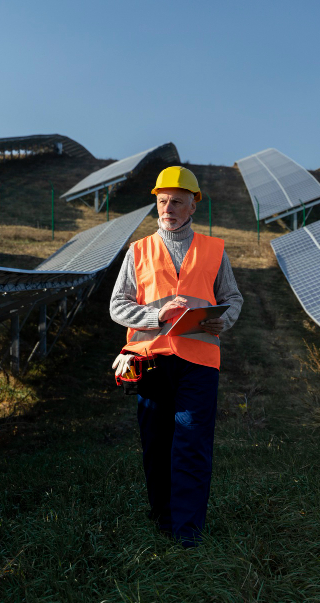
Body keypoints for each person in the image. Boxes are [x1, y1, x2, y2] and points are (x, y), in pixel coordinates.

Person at [109, 165, 243, 546]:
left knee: (193, 444)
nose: (168, 207)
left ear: (193, 207)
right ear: (156, 202)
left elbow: (232, 298)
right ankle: (162, 518)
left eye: (177, 202)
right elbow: (118, 305)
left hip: (199, 363)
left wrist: (224, 320)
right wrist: (155, 315)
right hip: (150, 361)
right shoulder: (139, 250)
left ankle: (187, 532)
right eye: (162, 201)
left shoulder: (214, 250)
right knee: (157, 443)